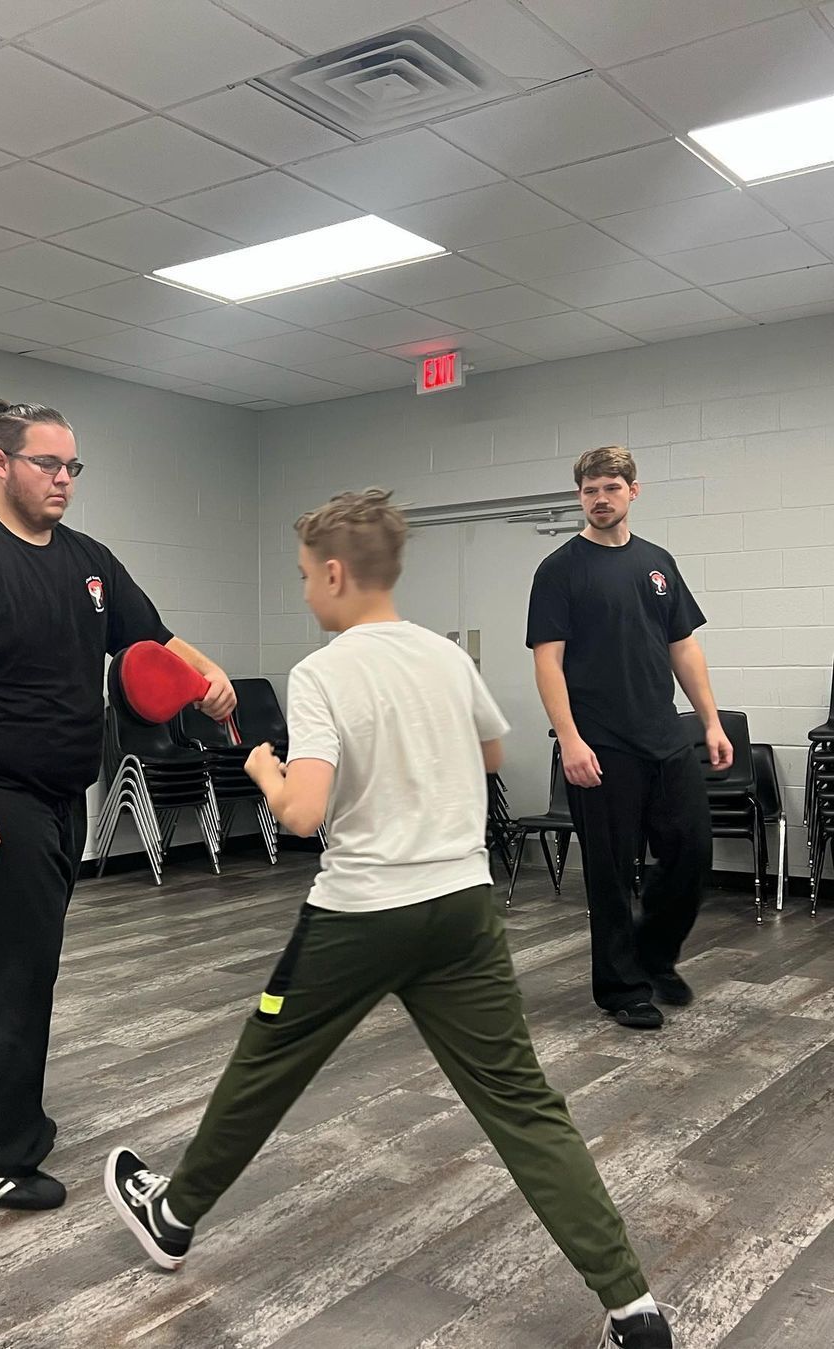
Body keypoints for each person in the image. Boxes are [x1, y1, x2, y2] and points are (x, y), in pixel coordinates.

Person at [105, 488, 675, 1349]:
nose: (302, 591)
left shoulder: (322, 672)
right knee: (525, 1105)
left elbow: (302, 813)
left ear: (336, 573)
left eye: (303, 576)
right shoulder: (447, 660)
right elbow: (490, 749)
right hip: (463, 911)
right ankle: (633, 1307)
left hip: (361, 915)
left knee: (264, 1066)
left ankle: (174, 1217)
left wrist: (264, 767)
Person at [0, 398, 235, 1211]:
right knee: (11, 974)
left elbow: (149, 638)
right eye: (49, 463)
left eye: (73, 466)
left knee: (3, 965)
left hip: (61, 794)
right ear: (0, 463)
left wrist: (205, 673)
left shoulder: (89, 560)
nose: (64, 479)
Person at [526, 446, 730, 1031]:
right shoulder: (560, 569)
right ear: (580, 496)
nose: (600, 499)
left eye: (611, 488)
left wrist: (710, 721)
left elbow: (682, 647)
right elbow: (548, 661)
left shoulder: (657, 564)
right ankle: (622, 989)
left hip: (665, 736)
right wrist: (569, 738)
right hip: (600, 743)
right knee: (611, 872)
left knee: (691, 851)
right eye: (590, 490)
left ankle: (654, 955)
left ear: (632, 492)